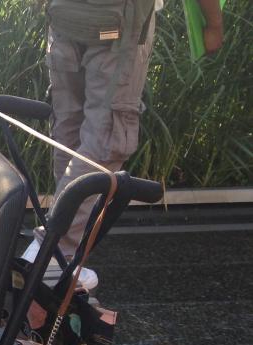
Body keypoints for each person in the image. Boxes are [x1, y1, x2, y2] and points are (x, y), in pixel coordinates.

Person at [24, 0, 224, 290]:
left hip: (64, 18)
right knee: (105, 142)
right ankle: (50, 255)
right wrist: (214, 24)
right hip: (118, 24)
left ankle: (57, 253)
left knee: (71, 133)